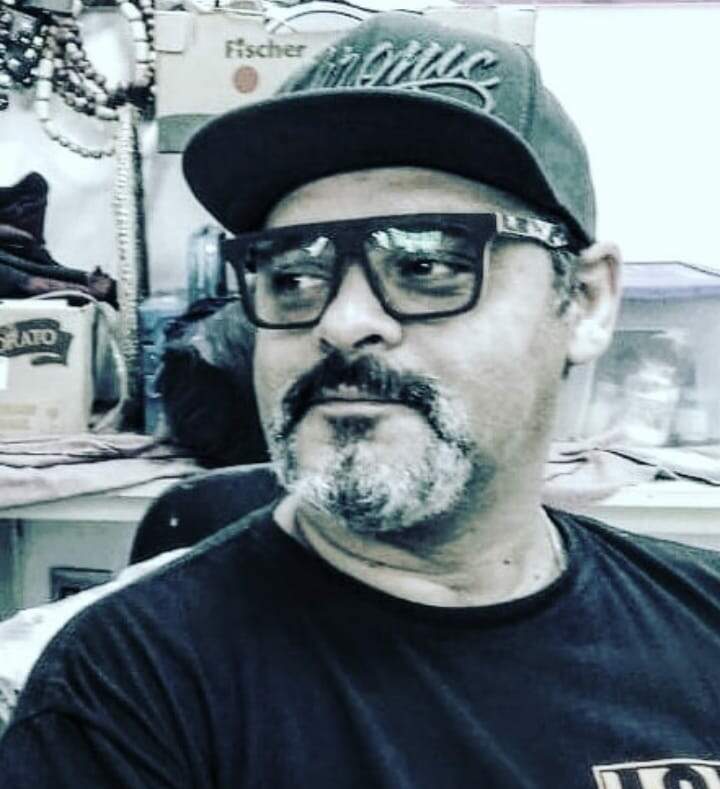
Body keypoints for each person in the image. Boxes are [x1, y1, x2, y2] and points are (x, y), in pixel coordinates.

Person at [2, 12, 720, 789]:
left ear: (583, 301)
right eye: (293, 275)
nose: (342, 323)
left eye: (426, 263)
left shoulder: (702, 624)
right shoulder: (127, 694)